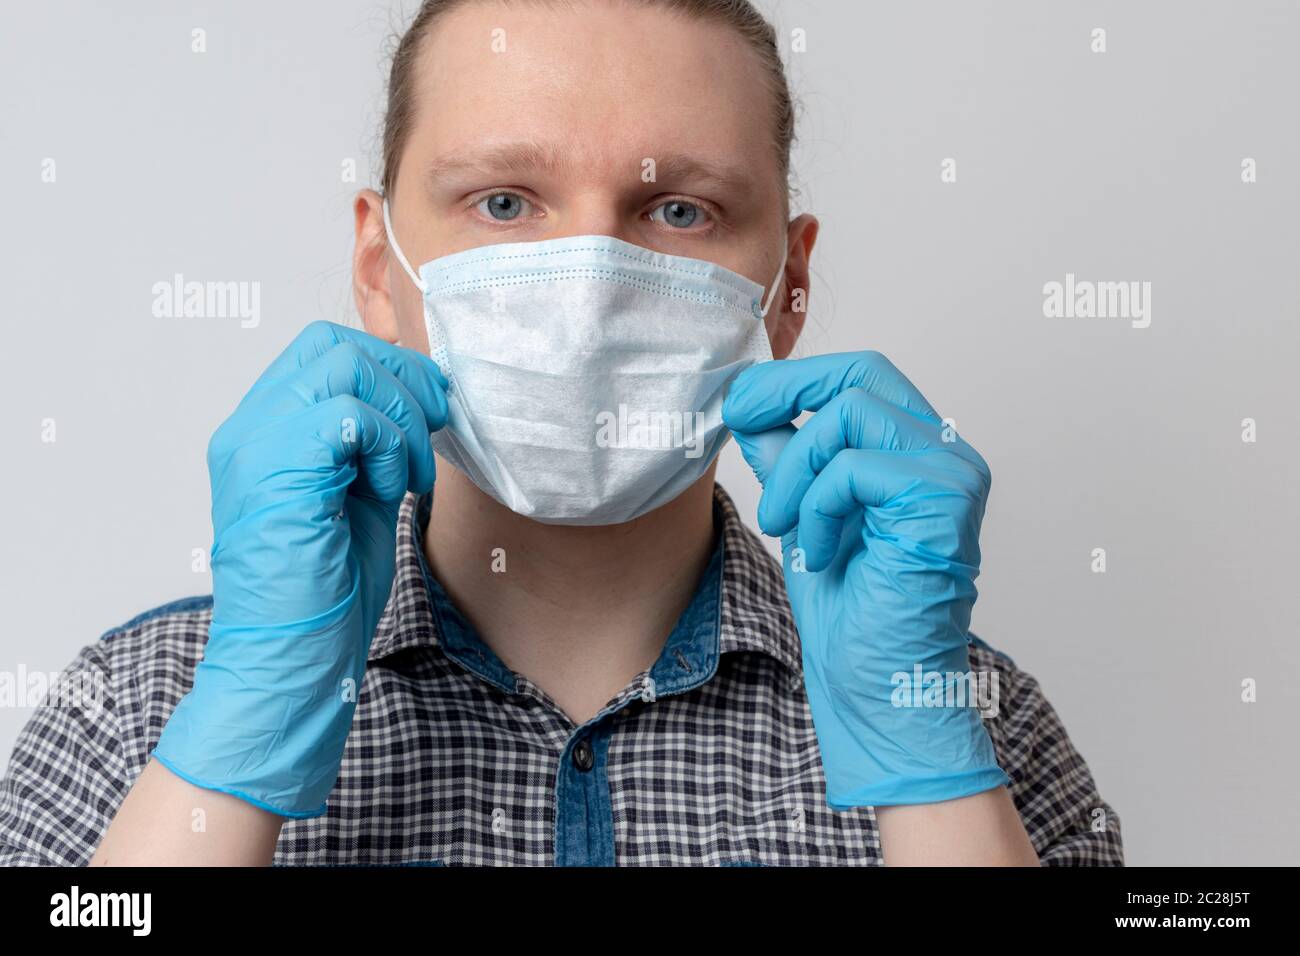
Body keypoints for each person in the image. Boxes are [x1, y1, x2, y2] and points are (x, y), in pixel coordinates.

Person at [0, 0, 1122, 866]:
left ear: (788, 287)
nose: (589, 288)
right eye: (502, 201)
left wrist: (923, 765)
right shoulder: (141, 702)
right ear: (375, 265)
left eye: (678, 210)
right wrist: (238, 736)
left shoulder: (977, 719)